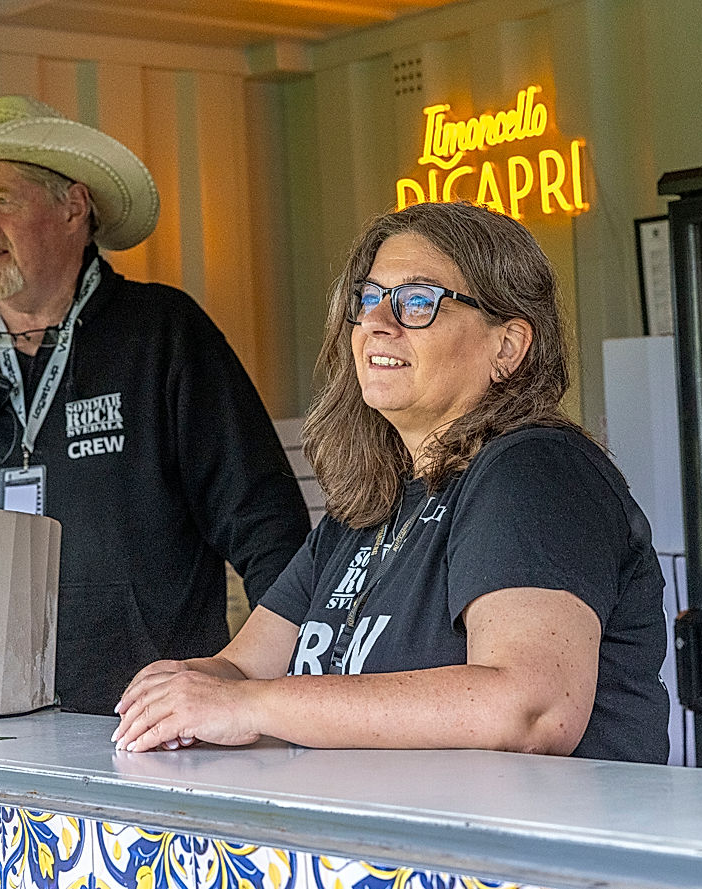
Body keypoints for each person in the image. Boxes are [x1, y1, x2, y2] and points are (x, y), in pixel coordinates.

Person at [113, 200, 670, 762]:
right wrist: (175, 685)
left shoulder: (536, 470)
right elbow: (240, 667)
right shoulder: (365, 511)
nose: (378, 323)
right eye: (369, 299)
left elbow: (530, 710)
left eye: (419, 302)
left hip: (531, 847)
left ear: (507, 347)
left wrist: (250, 707)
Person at [0, 95, 310, 715]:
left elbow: (270, 529)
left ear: (73, 208)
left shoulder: (164, 335)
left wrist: (277, 688)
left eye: (3, 201)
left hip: (145, 724)